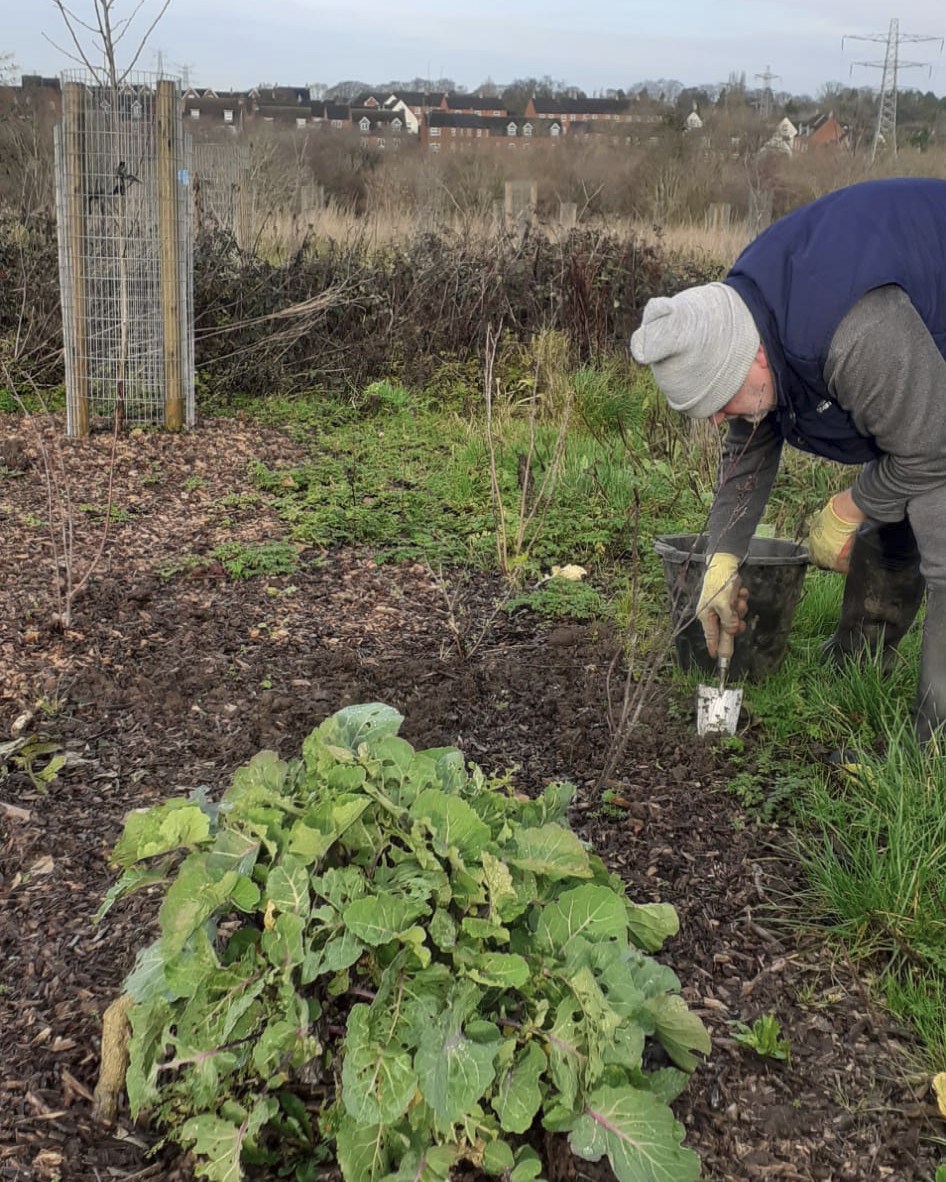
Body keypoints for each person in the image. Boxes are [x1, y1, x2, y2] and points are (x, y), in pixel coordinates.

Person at [629, 176, 946, 744]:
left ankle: (934, 738)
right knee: (896, 473)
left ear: (751, 363)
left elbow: (932, 447)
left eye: (719, 405)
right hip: (908, 365)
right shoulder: (740, 319)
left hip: (924, 352)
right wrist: (722, 557)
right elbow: (749, 440)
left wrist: (852, 505)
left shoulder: (853, 332)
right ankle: (862, 657)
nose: (719, 422)